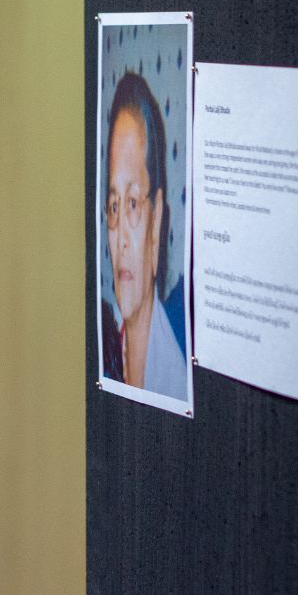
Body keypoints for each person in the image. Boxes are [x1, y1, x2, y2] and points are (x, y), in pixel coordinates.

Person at [102, 72, 186, 399]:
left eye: (133, 203)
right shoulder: (106, 344)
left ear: (157, 220)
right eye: (113, 206)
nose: (120, 237)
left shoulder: (179, 368)